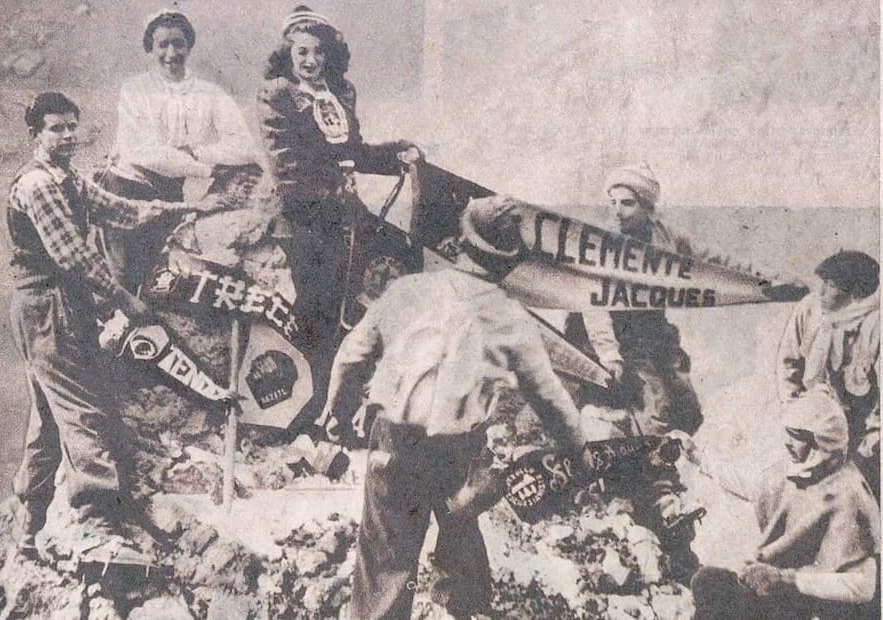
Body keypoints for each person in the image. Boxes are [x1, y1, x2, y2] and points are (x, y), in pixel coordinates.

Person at [323, 197, 588, 619]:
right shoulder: (511, 317)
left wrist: (333, 411)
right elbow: (551, 399)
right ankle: (467, 609)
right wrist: (579, 451)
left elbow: (349, 357)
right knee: (461, 530)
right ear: (509, 260)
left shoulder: (406, 290)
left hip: (394, 441)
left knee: (388, 560)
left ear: (462, 241)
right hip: (459, 452)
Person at [7, 92, 232, 558]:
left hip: (61, 306)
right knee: (83, 410)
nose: (67, 136)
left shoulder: (69, 179)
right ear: (36, 134)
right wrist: (126, 301)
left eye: (72, 127)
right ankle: (95, 529)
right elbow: (74, 256)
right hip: (47, 307)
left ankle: (26, 529)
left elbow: (121, 210)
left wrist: (186, 211)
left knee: (49, 420)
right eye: (56, 128)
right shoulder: (38, 186)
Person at [257, 6, 422, 434]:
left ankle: (346, 412)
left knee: (366, 302)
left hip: (345, 216)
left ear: (329, 55)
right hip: (304, 219)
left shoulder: (340, 93)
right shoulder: (277, 96)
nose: (311, 61)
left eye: (319, 53)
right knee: (319, 314)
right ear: (289, 54)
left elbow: (356, 151)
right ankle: (313, 415)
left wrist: (395, 154)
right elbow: (286, 167)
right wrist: (335, 191)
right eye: (302, 53)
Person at [565, 163, 704, 578]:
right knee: (606, 422)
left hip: (648, 342)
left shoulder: (667, 240)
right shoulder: (601, 246)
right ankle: (616, 506)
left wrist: (758, 283)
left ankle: (666, 505)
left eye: (627, 204)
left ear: (646, 206)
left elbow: (707, 268)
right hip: (599, 345)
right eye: (613, 203)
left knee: (664, 413)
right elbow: (594, 304)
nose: (618, 211)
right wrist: (610, 356)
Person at [98, 9, 261, 292]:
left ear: (189, 46)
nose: (171, 53)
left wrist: (198, 151)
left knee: (162, 280)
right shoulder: (135, 89)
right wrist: (206, 168)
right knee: (125, 280)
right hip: (127, 190)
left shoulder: (209, 93)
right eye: (163, 45)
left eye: (179, 43)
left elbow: (245, 147)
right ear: (151, 49)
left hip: (172, 194)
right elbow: (143, 151)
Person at [683, 387, 880, 620]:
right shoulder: (795, 472)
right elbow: (750, 483)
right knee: (707, 582)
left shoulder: (850, 495)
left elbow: (863, 587)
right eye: (788, 432)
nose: (787, 442)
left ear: (822, 442)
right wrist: (698, 456)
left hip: (815, 607)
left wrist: (786, 579)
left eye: (796, 436)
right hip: (773, 588)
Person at [776, 250, 879, 497]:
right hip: (814, 427)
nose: (821, 291)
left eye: (831, 285)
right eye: (822, 282)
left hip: (862, 433)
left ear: (855, 295)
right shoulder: (810, 309)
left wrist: (868, 448)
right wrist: (797, 417)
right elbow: (788, 363)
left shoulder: (876, 326)